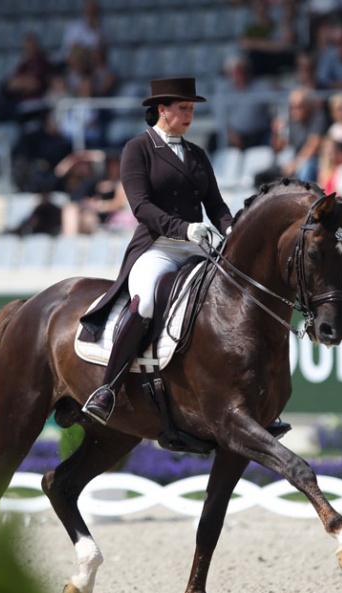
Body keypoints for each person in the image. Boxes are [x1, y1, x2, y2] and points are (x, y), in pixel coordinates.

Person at [79, 77, 233, 425]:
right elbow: (141, 207)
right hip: (158, 248)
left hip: (197, 249)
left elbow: (217, 204)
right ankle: (108, 389)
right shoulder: (138, 149)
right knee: (145, 300)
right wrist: (185, 228)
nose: (190, 115)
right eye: (184, 108)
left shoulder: (197, 154)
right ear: (162, 110)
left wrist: (230, 229)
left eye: (192, 109)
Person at [258, 87, 326, 185]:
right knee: (263, 176)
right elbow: (278, 148)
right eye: (292, 107)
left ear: (308, 106)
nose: (295, 110)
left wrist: (295, 164)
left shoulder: (318, 117)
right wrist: (275, 132)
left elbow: (313, 146)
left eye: (299, 106)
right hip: (296, 160)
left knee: (305, 168)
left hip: (315, 161)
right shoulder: (292, 121)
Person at [61, 153, 133, 236]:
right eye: (110, 164)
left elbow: (118, 204)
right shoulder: (97, 181)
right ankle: (69, 243)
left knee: (79, 215)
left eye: (115, 165)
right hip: (93, 214)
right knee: (71, 210)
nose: (112, 168)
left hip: (113, 218)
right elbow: (59, 175)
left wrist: (101, 205)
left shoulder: (123, 183)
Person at [216, 55, 273, 150]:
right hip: (232, 136)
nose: (238, 74)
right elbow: (219, 115)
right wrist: (229, 133)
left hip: (258, 134)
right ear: (229, 73)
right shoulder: (223, 90)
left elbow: (276, 97)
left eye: (241, 70)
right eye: (235, 71)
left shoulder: (260, 86)